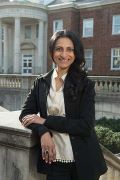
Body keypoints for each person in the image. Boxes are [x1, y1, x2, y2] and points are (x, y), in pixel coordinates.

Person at [19, 30, 107, 180]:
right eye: (59, 49)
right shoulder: (40, 83)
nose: (64, 54)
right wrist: (42, 131)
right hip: (54, 162)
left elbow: (85, 126)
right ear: (52, 52)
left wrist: (46, 121)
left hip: (84, 162)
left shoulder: (86, 85)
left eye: (69, 49)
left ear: (75, 53)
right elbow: (25, 114)